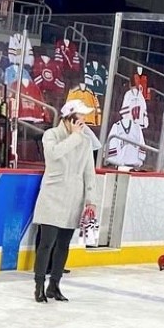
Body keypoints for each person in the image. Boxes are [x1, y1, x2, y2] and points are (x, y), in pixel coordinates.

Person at [31, 98, 99, 302]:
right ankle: (39, 286)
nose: (83, 124)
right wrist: (75, 137)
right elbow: (53, 155)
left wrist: (91, 199)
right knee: (46, 244)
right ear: (68, 119)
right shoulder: (51, 135)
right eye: (79, 119)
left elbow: (89, 172)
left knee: (63, 245)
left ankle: (55, 285)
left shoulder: (85, 141)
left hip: (74, 199)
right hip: (52, 197)